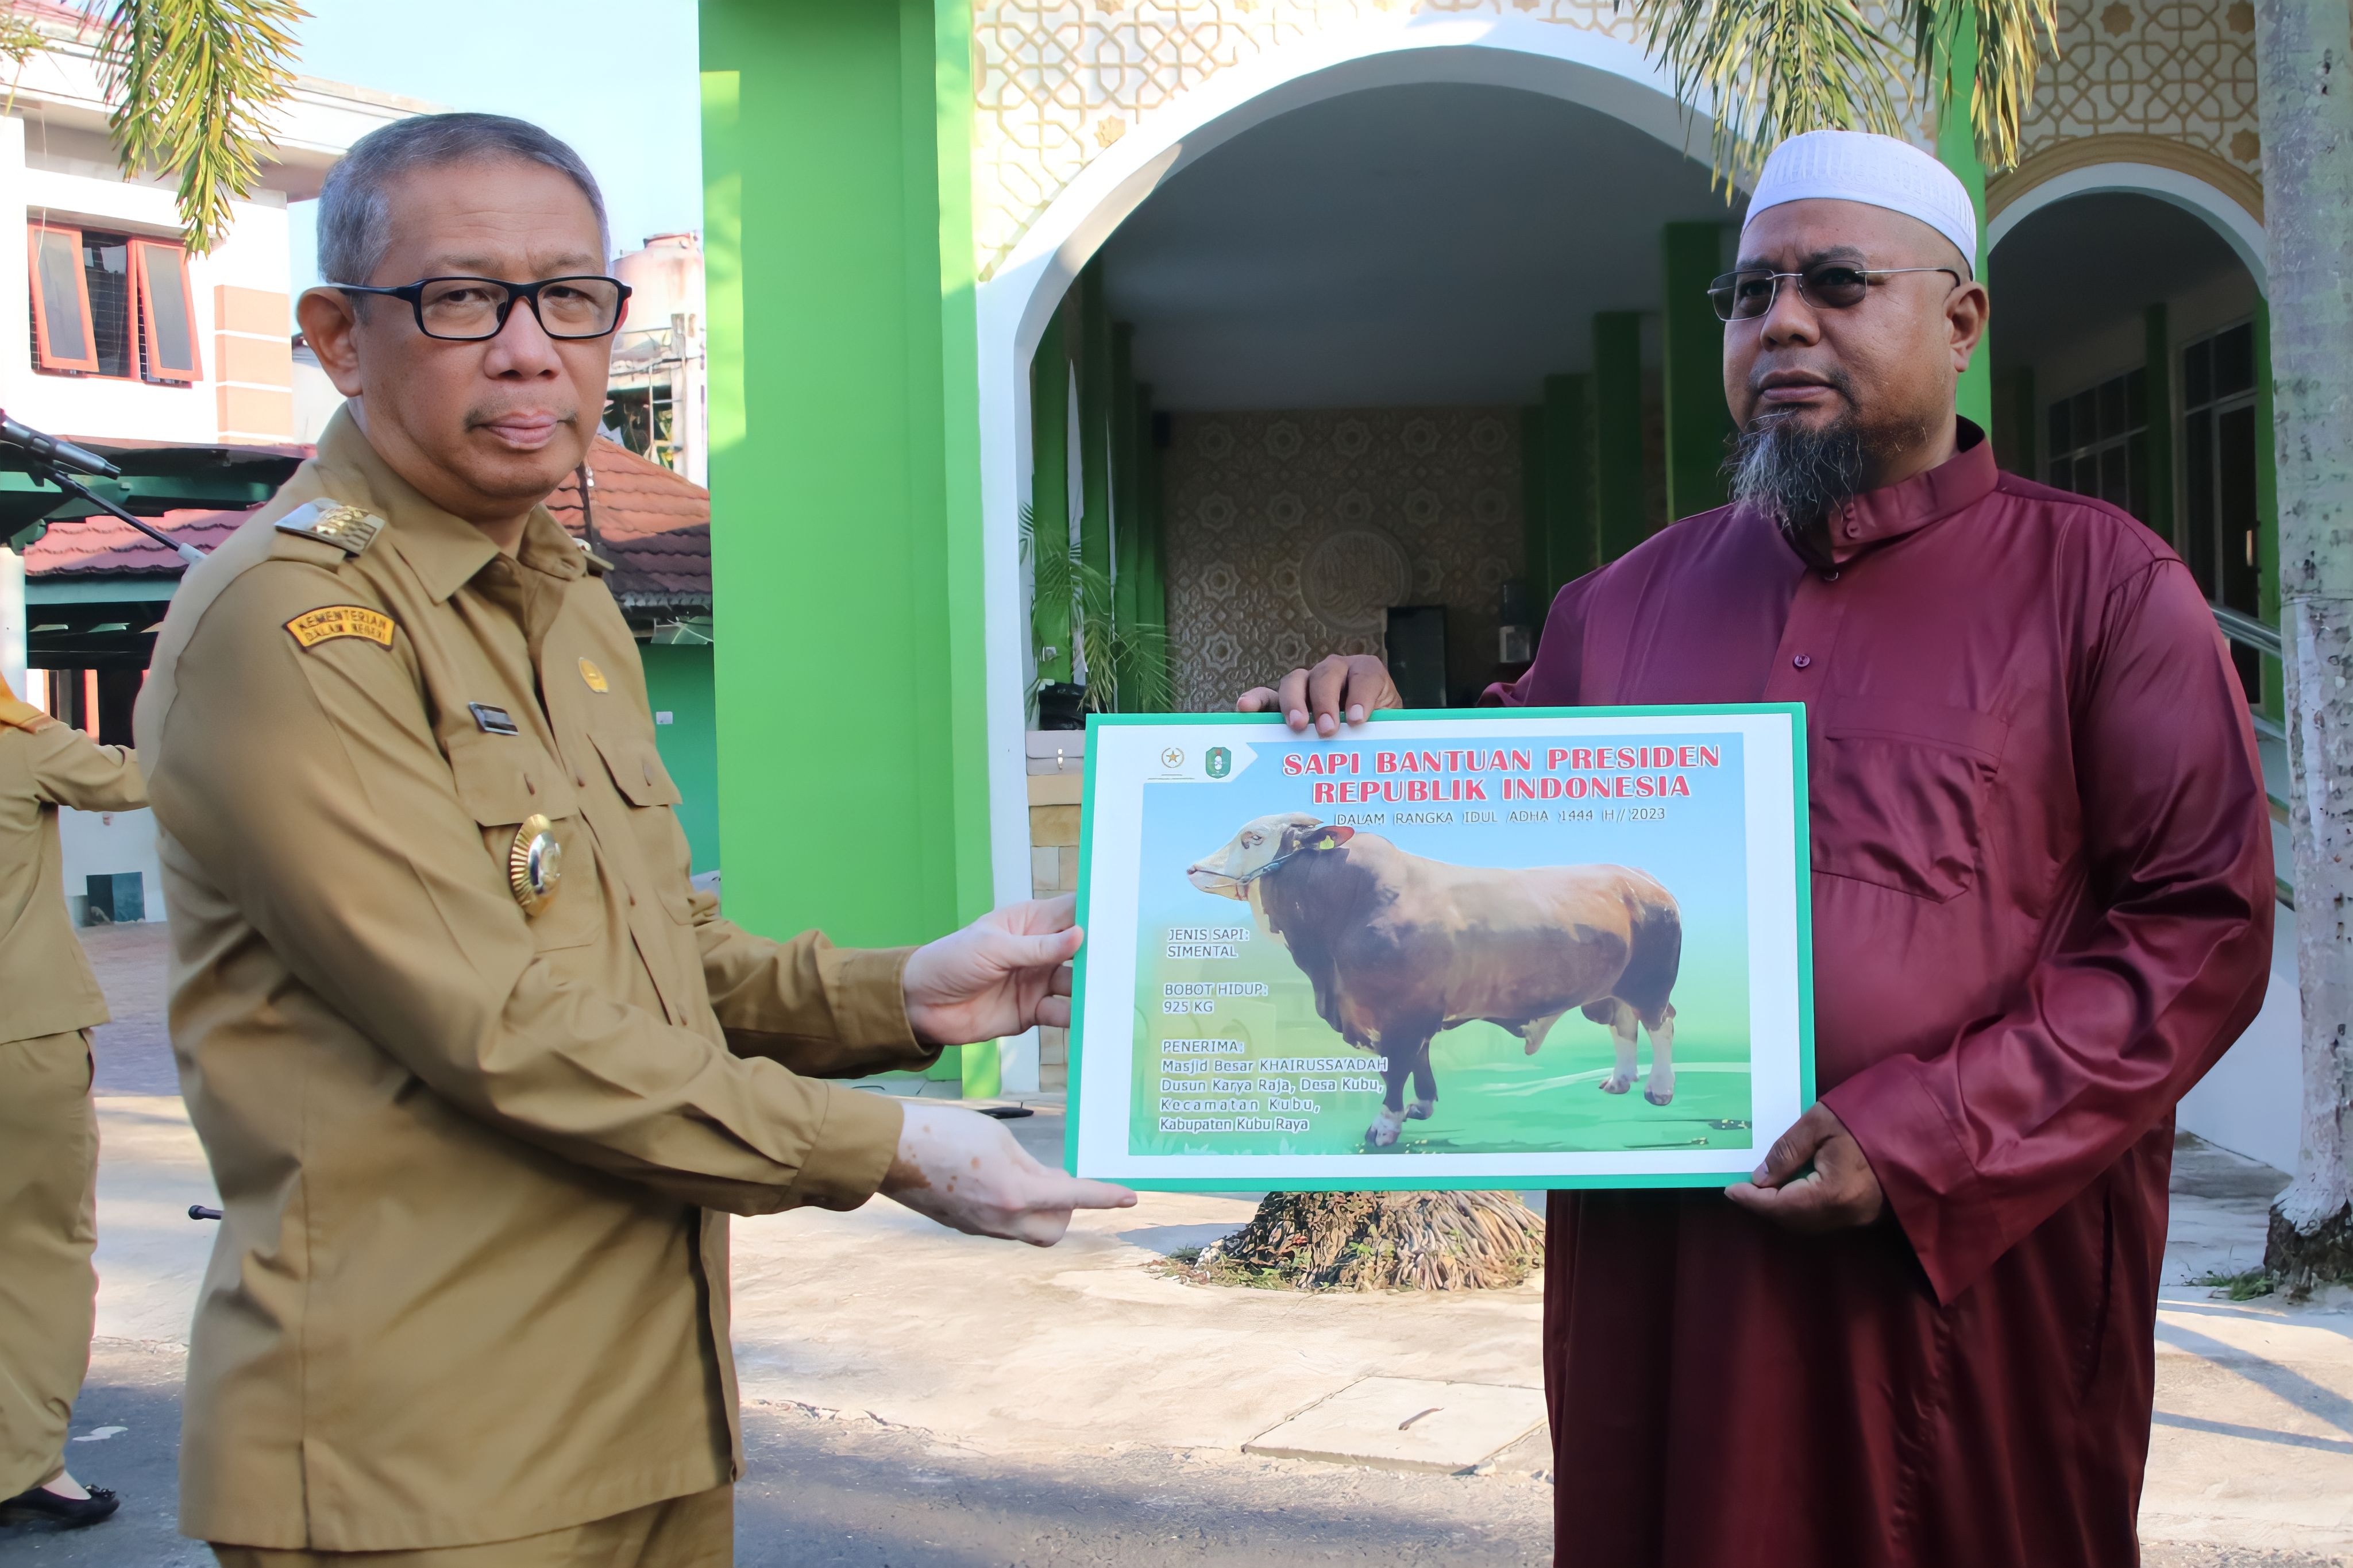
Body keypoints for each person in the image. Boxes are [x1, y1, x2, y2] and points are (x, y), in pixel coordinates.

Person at [1240, 129, 2273, 1566]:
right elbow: (1477, 827)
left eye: (1836, 284)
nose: (1780, 322)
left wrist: (1927, 1135)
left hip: (1957, 1278)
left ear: (1961, 321)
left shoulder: (2101, 587)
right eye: (1748, 294)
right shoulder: (1622, 602)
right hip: (1666, 1277)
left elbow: (2199, 930)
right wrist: (1364, 739)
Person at [134, 113, 1132, 1567]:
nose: (529, 352)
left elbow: (658, 954)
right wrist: (891, 1146)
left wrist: (906, 993)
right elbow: (498, 1026)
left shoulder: (566, 599)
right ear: (342, 339)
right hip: (416, 1457)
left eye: (571, 299)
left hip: (644, 1414)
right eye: (462, 299)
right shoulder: (296, 626)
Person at [0, 672, 144, 1531]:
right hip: (19, 1037)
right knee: (39, 1252)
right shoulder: (20, 743)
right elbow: (146, 777)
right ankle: (26, 1463)